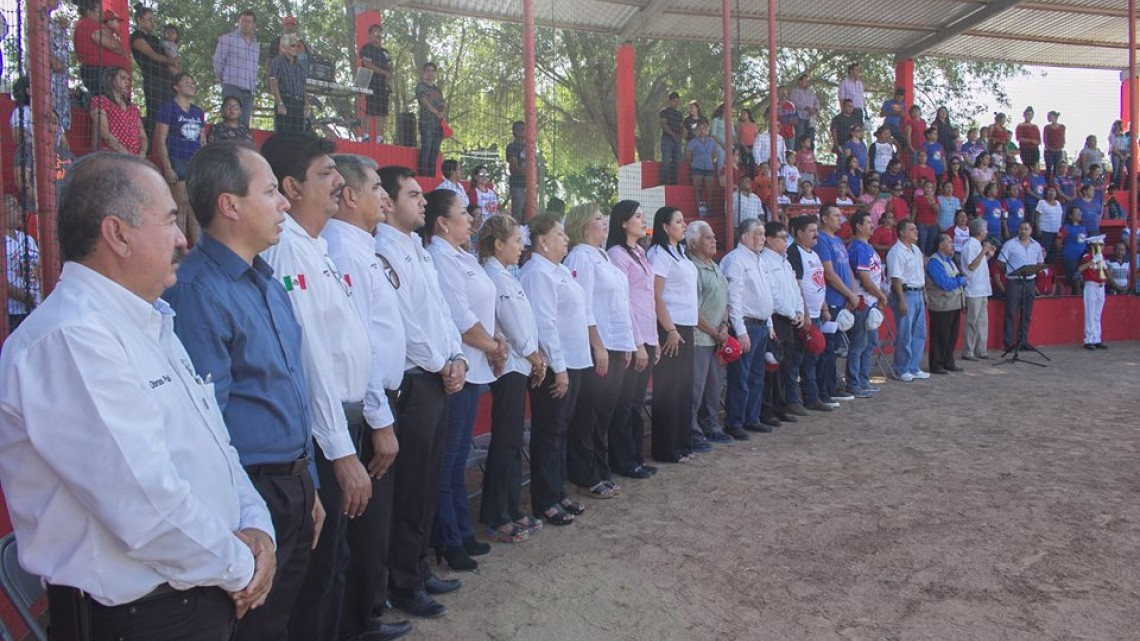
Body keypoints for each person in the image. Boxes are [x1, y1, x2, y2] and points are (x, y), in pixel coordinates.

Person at [0, 152, 274, 641]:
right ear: (117, 233)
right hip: (142, 618)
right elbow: (145, 507)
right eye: (170, 220)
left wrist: (255, 526)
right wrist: (240, 566)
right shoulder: (71, 339)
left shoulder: (150, 321)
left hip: (198, 593)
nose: (182, 239)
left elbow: (216, 445)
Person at [162, 143, 325, 641]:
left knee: (281, 621)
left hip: (293, 485)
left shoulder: (267, 281)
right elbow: (207, 425)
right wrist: (242, 517)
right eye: (272, 191)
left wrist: (310, 481)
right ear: (229, 205)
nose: (284, 203)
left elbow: (293, 389)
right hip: (252, 497)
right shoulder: (196, 293)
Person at [256, 134, 371, 641]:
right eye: (326, 173)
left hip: (341, 423)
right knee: (316, 570)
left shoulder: (314, 248)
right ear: (291, 187)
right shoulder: (286, 252)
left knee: (334, 561)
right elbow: (312, 360)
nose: (338, 181)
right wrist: (342, 452)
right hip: (323, 435)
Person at [320, 155, 412, 641]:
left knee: (374, 520)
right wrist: (380, 418)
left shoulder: (363, 246)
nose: (385, 196)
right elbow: (360, 344)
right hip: (365, 405)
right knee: (363, 523)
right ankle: (358, 620)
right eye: (377, 186)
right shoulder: (345, 249)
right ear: (351, 195)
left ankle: (367, 611)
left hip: (382, 399)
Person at [375, 166, 467, 618]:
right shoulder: (383, 248)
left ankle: (418, 565)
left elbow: (441, 315)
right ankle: (402, 582)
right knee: (409, 489)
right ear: (388, 203)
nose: (423, 202)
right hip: (415, 381)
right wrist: (441, 363)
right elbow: (404, 325)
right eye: (413, 195)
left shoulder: (418, 248)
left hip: (438, 375)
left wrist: (457, 357)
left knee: (428, 483)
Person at [425, 189, 509, 557]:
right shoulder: (440, 258)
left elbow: (483, 308)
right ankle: (448, 538)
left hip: (477, 366)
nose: (471, 218)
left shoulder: (464, 255)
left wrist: (497, 340)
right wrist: (494, 347)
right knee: (448, 458)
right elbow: (459, 319)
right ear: (442, 222)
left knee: (458, 455)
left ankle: (461, 528)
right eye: (463, 213)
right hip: (461, 366)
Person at [479, 214, 551, 533]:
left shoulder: (508, 275)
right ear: (498, 244)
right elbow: (515, 327)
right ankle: (498, 515)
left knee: (511, 441)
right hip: (509, 368)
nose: (522, 248)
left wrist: (535, 359)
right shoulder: (494, 277)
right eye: (517, 242)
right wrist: (536, 359)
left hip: (521, 365)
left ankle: (510, 509)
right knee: (506, 442)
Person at [519, 214, 590, 526]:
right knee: (548, 432)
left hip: (571, 361)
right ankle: (544, 500)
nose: (566, 240)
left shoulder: (558, 269)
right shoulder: (536, 272)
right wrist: (558, 369)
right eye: (559, 235)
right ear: (542, 241)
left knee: (561, 429)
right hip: (552, 366)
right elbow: (545, 325)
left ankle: (557, 490)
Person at [564, 204, 634, 496]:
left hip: (615, 343)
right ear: (582, 225)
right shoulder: (580, 255)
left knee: (603, 413)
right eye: (597, 219)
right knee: (589, 415)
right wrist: (599, 345)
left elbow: (619, 303)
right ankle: (585, 475)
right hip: (598, 346)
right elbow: (584, 306)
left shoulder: (601, 255)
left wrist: (626, 343)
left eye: (604, 219)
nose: (604, 223)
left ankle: (600, 469)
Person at [604, 201, 658, 478]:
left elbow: (647, 298)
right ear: (623, 222)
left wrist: (654, 340)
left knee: (635, 403)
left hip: (648, 335)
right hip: (632, 337)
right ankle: (623, 460)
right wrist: (638, 344)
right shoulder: (616, 254)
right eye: (637, 216)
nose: (642, 219)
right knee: (625, 403)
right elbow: (623, 302)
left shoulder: (639, 252)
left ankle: (636, 455)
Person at [647, 206, 699, 458]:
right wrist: (669, 329)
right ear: (665, 226)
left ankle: (682, 443)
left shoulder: (680, 252)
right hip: (669, 327)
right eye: (678, 221)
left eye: (683, 220)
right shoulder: (659, 253)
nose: (684, 224)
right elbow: (656, 295)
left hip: (686, 327)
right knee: (668, 388)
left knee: (683, 387)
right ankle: (666, 448)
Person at [721, 219, 776, 437]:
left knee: (756, 376)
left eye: (763, 234)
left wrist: (769, 322)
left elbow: (766, 293)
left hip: (761, 325)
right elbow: (733, 299)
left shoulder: (758, 259)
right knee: (740, 377)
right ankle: (735, 421)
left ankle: (751, 418)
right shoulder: (735, 260)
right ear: (744, 236)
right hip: (746, 325)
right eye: (758, 234)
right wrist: (740, 330)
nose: (762, 238)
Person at [684, 220, 732, 445]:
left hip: (716, 337)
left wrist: (724, 326)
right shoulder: (691, 268)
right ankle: (692, 432)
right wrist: (715, 331)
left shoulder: (715, 266)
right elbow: (692, 309)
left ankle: (710, 425)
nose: (714, 241)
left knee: (713, 386)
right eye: (708, 237)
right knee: (695, 389)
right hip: (699, 337)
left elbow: (723, 300)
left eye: (714, 237)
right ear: (693, 243)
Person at [759, 220, 811, 419]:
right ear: (770, 240)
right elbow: (772, 294)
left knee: (786, 363)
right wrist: (791, 312)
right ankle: (768, 409)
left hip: (789, 319)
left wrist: (798, 310)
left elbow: (795, 289)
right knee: (771, 366)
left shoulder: (784, 260)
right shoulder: (764, 260)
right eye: (782, 238)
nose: (785, 242)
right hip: (776, 318)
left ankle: (780, 407)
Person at [786, 215, 833, 412]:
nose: (816, 234)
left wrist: (824, 307)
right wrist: (805, 313)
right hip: (803, 316)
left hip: (816, 313)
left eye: (816, 230)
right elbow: (797, 286)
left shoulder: (813, 254)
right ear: (799, 233)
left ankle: (811, 397)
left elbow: (818, 282)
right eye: (812, 230)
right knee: (796, 359)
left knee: (812, 357)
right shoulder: (794, 252)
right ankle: (793, 401)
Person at [155, 73, 206, 245]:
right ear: (176, 86)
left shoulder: (198, 112)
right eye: (186, 82)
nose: (191, 85)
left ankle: (198, 249)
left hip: (195, 163)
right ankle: (179, 247)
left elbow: (202, 141)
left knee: (195, 208)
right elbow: (160, 138)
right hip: (177, 160)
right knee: (181, 206)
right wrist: (168, 167)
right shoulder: (168, 108)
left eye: (193, 82)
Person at [814, 204, 858, 401]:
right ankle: (826, 389)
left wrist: (851, 293)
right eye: (836, 216)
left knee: (835, 348)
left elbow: (847, 268)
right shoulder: (822, 240)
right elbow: (828, 274)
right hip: (830, 302)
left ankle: (831, 386)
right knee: (827, 349)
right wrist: (849, 293)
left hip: (842, 300)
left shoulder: (839, 240)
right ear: (824, 218)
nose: (840, 219)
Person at [845, 211, 888, 396]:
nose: (872, 225)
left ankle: (863, 380)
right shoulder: (858, 248)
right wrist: (881, 296)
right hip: (863, 301)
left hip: (870, 302)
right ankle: (854, 383)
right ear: (858, 226)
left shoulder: (867, 248)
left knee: (869, 344)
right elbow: (865, 279)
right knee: (859, 345)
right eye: (868, 222)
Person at [887, 218, 929, 381]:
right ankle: (901, 368)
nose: (916, 231)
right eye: (912, 229)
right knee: (905, 333)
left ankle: (913, 366)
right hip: (906, 294)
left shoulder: (916, 250)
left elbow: (920, 274)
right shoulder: (897, 252)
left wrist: (924, 291)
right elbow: (896, 279)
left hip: (917, 292)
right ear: (902, 232)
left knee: (919, 332)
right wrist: (901, 300)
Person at [996, 220, 1046, 351]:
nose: (1023, 231)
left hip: (1029, 281)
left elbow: (1040, 262)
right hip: (1014, 281)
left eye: (1026, 229)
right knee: (1011, 313)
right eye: (1021, 229)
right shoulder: (1010, 244)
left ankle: (1022, 341)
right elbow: (1000, 263)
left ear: (1031, 231)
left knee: (1026, 314)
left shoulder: (1036, 245)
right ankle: (1008, 343)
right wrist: (1009, 272)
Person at [130, 4, 174, 138]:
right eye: (149, 19)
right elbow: (152, 55)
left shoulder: (155, 39)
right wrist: (169, 60)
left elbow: (169, 56)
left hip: (167, 79)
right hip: (152, 79)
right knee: (155, 111)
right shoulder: (136, 36)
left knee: (169, 112)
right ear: (140, 20)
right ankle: (150, 143)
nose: (152, 22)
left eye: (153, 19)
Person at [926, 234, 966, 374]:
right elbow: (943, 283)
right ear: (940, 245)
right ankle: (936, 364)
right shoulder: (934, 262)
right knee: (940, 336)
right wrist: (959, 282)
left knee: (951, 335)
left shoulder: (949, 260)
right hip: (941, 304)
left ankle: (948, 361)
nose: (952, 245)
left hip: (953, 303)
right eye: (949, 242)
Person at [213, 10, 260, 127]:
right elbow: (217, 63)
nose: (245, 24)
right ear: (238, 22)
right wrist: (225, 81)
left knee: (243, 126)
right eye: (242, 20)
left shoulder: (256, 45)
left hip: (249, 92)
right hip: (232, 87)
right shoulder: (227, 38)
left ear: (254, 25)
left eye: (248, 21)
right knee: (230, 123)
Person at [74, 3, 130, 96]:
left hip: (103, 73)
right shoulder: (87, 24)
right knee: (106, 103)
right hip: (99, 74)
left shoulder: (93, 25)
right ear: (88, 12)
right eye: (98, 12)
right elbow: (114, 45)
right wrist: (120, 50)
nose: (101, 15)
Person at [91, 66, 146, 157]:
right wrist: (126, 154)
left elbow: (143, 137)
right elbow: (104, 133)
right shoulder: (101, 102)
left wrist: (142, 153)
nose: (127, 82)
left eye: (128, 79)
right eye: (123, 78)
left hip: (135, 158)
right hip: (111, 156)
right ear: (110, 79)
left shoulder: (133, 108)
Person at [4, 194, 40, 331]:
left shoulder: (27, 239)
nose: (19, 210)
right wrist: (25, 297)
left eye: (18, 205)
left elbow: (38, 268)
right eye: (13, 206)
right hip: (12, 313)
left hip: (35, 307)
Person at [959, 218, 994, 361]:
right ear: (980, 231)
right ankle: (968, 351)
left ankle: (981, 349)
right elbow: (971, 266)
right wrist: (984, 252)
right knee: (971, 321)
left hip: (983, 289)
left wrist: (987, 255)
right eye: (985, 229)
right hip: (973, 289)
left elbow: (978, 265)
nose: (986, 232)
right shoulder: (970, 246)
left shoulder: (979, 245)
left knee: (982, 321)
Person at [359, 23, 394, 143]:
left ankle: (380, 138)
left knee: (382, 112)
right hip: (371, 82)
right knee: (370, 110)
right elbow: (368, 64)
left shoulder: (386, 52)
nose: (378, 35)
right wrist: (384, 73)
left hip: (383, 85)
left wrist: (388, 76)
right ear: (369, 35)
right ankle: (365, 135)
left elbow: (390, 66)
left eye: (380, 32)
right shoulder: (366, 48)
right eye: (375, 32)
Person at [268, 34, 308, 134]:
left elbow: (304, 87)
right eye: (292, 45)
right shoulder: (277, 61)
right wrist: (280, 103)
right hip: (285, 100)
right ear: (283, 47)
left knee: (299, 136)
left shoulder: (299, 66)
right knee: (284, 136)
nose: (295, 48)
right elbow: (273, 83)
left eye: (297, 46)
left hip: (299, 102)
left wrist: (306, 105)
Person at [1078, 235, 1109, 350]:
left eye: (1102, 245)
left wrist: (1104, 264)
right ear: (1093, 246)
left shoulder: (1101, 257)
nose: (1101, 247)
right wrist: (1093, 261)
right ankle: (1088, 340)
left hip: (1101, 287)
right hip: (1091, 286)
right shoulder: (1087, 257)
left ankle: (1097, 339)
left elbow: (1107, 274)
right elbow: (1080, 268)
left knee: (1097, 315)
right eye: (1099, 245)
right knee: (1090, 314)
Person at [416, 62, 446, 177]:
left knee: (434, 151)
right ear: (424, 72)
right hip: (426, 122)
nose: (430, 73)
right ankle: (423, 176)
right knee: (426, 149)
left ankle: (431, 176)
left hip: (438, 124)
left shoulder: (438, 90)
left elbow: (443, 104)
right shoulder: (421, 86)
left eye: (433, 71)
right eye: (428, 70)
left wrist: (442, 113)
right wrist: (436, 112)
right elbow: (424, 102)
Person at [47, 0, 71, 138]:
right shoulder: (35, 19)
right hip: (46, 79)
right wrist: (50, 59)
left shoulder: (55, 23)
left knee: (58, 123)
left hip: (60, 82)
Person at [687, 120, 721, 216]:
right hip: (696, 168)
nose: (702, 131)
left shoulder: (711, 142)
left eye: (704, 129)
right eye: (700, 129)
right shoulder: (692, 142)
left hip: (709, 168)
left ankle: (708, 211)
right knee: (697, 190)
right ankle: (699, 210)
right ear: (697, 130)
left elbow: (714, 155)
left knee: (710, 191)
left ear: (706, 130)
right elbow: (688, 156)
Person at [1058, 207, 1088, 292]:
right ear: (1070, 216)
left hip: (1082, 258)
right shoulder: (1065, 228)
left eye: (1080, 212)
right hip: (1069, 257)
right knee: (1073, 279)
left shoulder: (1083, 228)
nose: (1079, 214)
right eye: (1076, 212)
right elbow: (1058, 242)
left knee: (1080, 279)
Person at [1034, 186, 1064, 265]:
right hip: (1045, 232)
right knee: (1044, 252)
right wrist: (1038, 229)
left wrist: (1060, 231)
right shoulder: (1041, 202)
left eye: (1053, 191)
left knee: (1053, 253)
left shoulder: (1058, 203)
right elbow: (1037, 217)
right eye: (1049, 191)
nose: (1051, 193)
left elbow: (1060, 217)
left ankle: (1050, 271)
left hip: (1056, 232)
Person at [505, 121, 528, 221]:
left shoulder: (531, 147)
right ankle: (515, 235)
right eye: (519, 129)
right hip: (518, 184)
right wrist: (530, 174)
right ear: (514, 131)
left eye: (524, 129)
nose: (522, 131)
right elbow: (514, 168)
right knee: (518, 212)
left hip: (531, 186)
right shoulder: (512, 147)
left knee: (529, 214)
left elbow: (537, 165)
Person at [660, 92, 684, 185]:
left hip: (677, 141)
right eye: (674, 101)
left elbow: (681, 126)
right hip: (667, 139)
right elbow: (663, 124)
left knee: (677, 161)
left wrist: (680, 137)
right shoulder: (664, 111)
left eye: (677, 101)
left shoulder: (679, 114)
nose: (676, 103)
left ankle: (674, 182)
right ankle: (663, 181)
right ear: (669, 101)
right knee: (666, 160)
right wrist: (672, 134)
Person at [790, 74, 820, 144]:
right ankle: (799, 153)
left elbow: (817, 102)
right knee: (800, 137)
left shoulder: (811, 92)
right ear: (799, 82)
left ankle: (810, 153)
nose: (807, 83)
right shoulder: (795, 92)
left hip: (811, 118)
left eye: (807, 81)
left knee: (811, 137)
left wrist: (815, 109)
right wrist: (806, 108)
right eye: (805, 81)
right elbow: (795, 102)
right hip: (800, 118)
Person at [1043, 111, 1066, 178]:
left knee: (1057, 168)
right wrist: (1050, 148)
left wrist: (1061, 147)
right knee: (1049, 167)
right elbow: (1045, 139)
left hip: (1058, 150)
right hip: (1049, 150)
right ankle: (1048, 182)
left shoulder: (1062, 127)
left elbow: (1063, 138)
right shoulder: (1047, 127)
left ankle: (1056, 182)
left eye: (1050, 116)